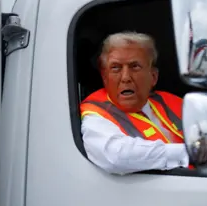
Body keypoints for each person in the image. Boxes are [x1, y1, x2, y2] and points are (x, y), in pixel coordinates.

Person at [80, 31, 190, 175]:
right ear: (105, 78)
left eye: (135, 67)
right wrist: (190, 154)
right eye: (116, 68)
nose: (125, 77)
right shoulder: (95, 113)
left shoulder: (171, 101)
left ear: (153, 77)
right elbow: (117, 156)